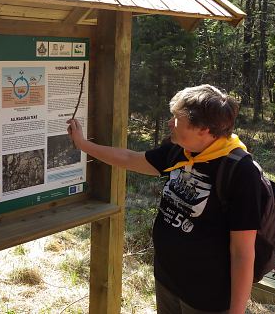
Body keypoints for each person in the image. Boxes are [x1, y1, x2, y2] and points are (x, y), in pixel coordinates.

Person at [67, 84, 263, 314]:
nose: (170, 123)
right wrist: (83, 145)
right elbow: (130, 158)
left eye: (176, 119)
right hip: (167, 282)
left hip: (207, 298)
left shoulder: (240, 172)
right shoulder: (180, 150)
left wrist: (237, 311)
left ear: (204, 130)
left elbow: (243, 252)